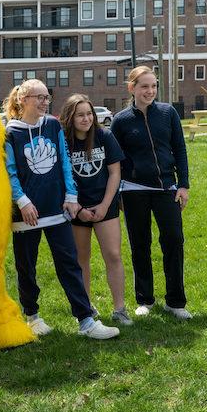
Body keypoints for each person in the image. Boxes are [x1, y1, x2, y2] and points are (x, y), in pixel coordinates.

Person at [4, 79, 119, 340]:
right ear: (23, 100)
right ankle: (32, 316)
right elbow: (9, 172)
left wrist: (71, 195)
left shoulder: (54, 125)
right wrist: (22, 201)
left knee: (69, 264)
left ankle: (86, 320)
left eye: (47, 97)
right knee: (27, 267)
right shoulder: (9, 133)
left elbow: (65, 162)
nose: (45, 102)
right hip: (27, 215)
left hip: (57, 210)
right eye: (39, 97)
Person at [109, 66, 192, 320]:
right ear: (132, 88)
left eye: (154, 85)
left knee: (174, 240)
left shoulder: (168, 114)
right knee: (140, 244)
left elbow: (179, 149)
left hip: (167, 189)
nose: (150, 91)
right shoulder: (120, 121)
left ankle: (175, 302)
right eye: (145, 86)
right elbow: (115, 162)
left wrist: (183, 184)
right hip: (134, 192)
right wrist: (119, 193)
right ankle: (145, 299)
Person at [58, 94, 132, 326]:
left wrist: (104, 205)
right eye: (80, 114)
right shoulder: (63, 141)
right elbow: (59, 176)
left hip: (104, 206)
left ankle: (120, 309)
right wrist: (78, 209)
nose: (86, 118)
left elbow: (115, 173)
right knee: (81, 259)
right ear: (70, 117)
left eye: (89, 114)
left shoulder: (104, 136)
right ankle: (86, 308)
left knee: (113, 255)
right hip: (76, 208)